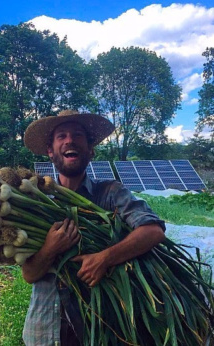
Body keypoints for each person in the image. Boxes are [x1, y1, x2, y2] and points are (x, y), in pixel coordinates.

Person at [21, 110, 166, 346]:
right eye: (62, 136)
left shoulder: (110, 193)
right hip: (47, 331)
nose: (70, 140)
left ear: (90, 150)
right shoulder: (36, 203)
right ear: (50, 151)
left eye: (78, 135)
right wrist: (50, 247)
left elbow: (153, 230)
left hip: (104, 329)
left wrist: (105, 258)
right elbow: (29, 275)